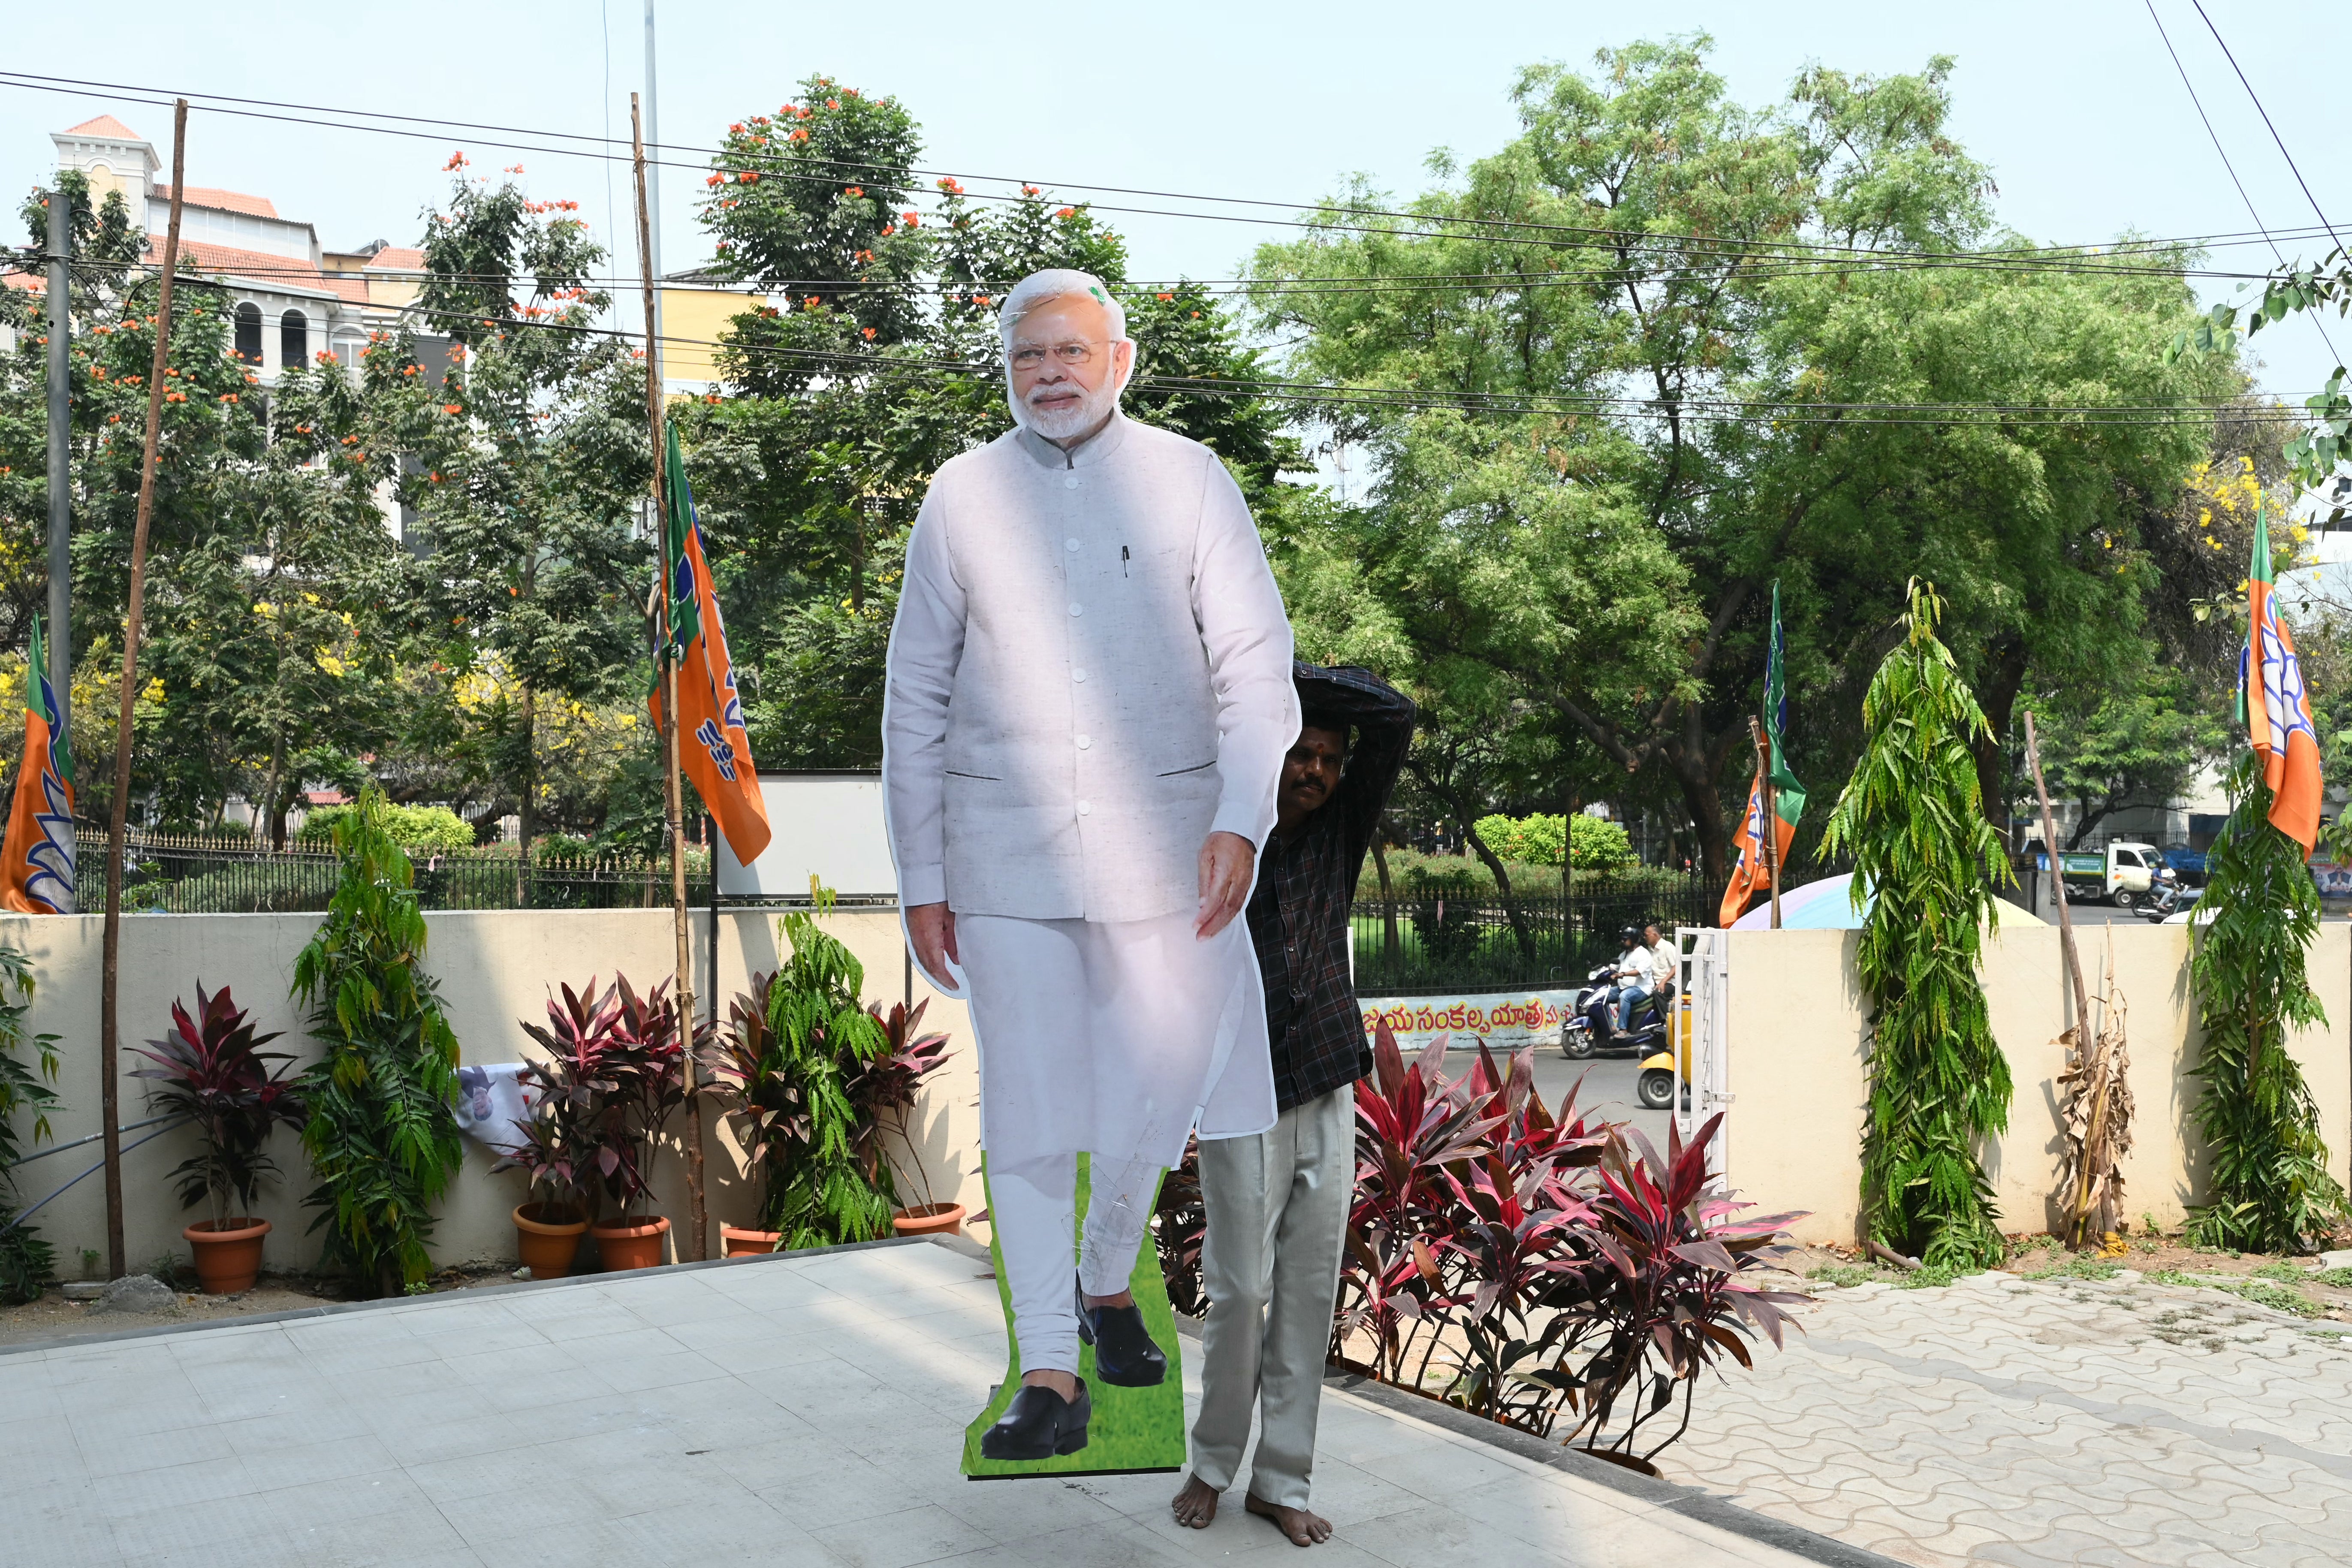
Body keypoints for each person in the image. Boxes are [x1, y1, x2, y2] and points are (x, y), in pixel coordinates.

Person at [882, 268, 1298, 1463]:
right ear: (1004, 372)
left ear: (1120, 360)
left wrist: (1241, 815)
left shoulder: (1189, 480)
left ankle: (1107, 1272)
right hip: (1001, 854)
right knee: (1023, 1108)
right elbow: (914, 694)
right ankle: (1053, 1368)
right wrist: (922, 874)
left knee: (1155, 1087)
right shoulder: (959, 498)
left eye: (1070, 351)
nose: (1049, 373)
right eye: (1027, 357)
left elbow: (1255, 666)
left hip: (1169, 855)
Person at [1172, 663, 1413, 1547]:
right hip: (1243, 1090)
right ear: (1269, 754)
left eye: (1327, 757)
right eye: (1298, 752)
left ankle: (1281, 1479)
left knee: (1309, 1291)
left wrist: (1272, 666)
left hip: (1326, 1080)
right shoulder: (1222, 833)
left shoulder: (1342, 829)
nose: (1313, 769)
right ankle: (1211, 1462)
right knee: (1240, 1290)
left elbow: (1397, 714)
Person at [1611, 926, 1657, 1034]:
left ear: (1633, 940)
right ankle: (1611, 1028)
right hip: (1623, 987)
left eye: (1625, 939)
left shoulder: (1643, 953)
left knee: (1625, 996)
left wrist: (1623, 974)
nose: (1622, 941)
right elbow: (1613, 967)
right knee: (1603, 995)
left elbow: (1638, 972)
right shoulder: (1623, 955)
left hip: (1642, 989)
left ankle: (1623, 1029)